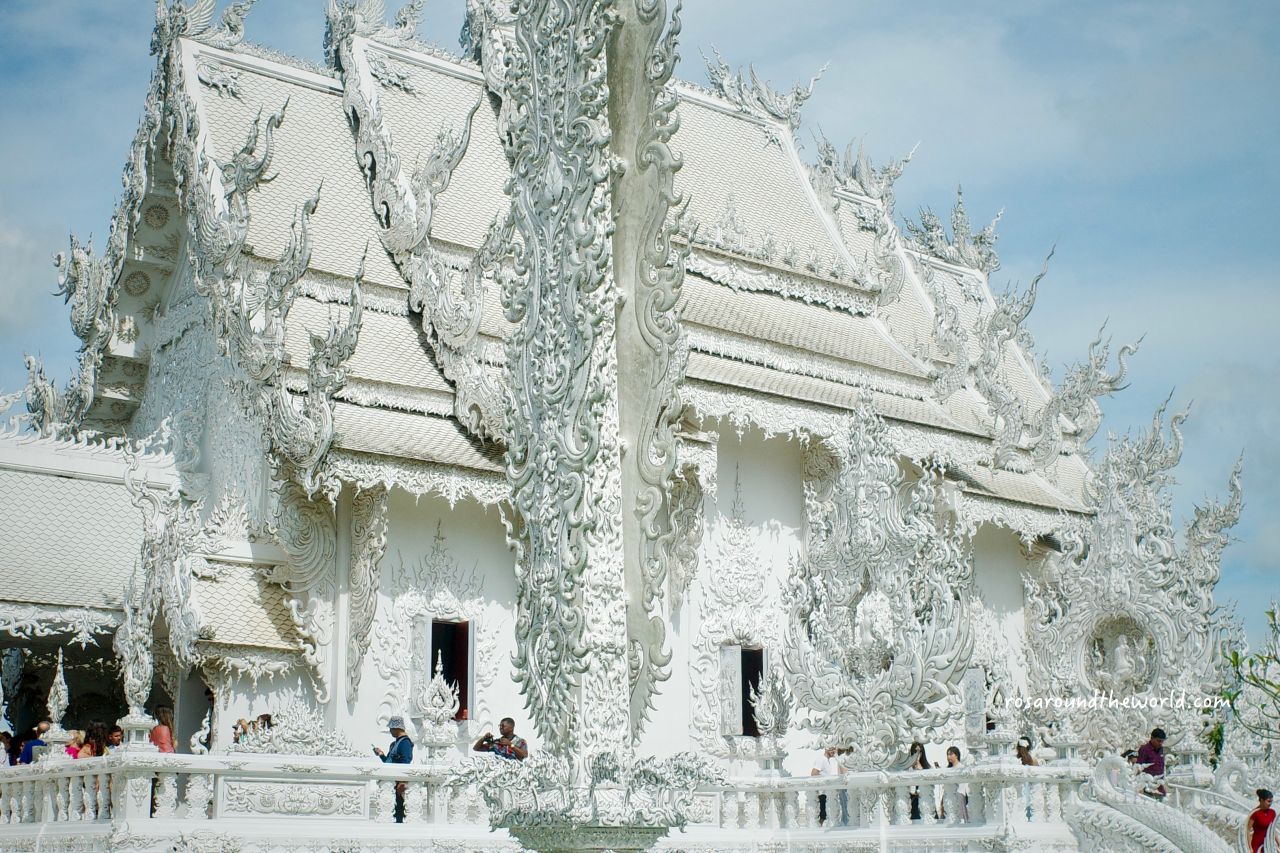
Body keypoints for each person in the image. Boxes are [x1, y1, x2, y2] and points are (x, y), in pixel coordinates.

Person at [374, 716, 414, 823]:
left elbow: (405, 762)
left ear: (397, 728)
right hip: (392, 782)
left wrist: (402, 782)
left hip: (398, 782)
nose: (390, 731)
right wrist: (381, 755)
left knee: (399, 809)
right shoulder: (395, 744)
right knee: (393, 809)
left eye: (391, 728)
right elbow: (389, 762)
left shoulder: (405, 743)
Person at [810, 746, 839, 826]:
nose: (834, 751)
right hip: (822, 793)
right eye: (832, 749)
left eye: (835, 749)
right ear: (826, 749)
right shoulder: (821, 759)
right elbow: (813, 773)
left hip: (827, 792)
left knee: (825, 815)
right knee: (822, 816)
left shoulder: (828, 760)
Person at [1136, 727, 1166, 797]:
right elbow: (1139, 768)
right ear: (1152, 738)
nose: (1161, 743)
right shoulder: (1144, 750)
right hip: (1148, 787)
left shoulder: (1161, 749)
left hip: (1159, 786)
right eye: (1158, 741)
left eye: (1162, 741)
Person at [906, 741, 933, 821]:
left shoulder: (927, 767)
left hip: (924, 798)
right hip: (912, 799)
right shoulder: (908, 768)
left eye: (919, 752)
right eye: (915, 752)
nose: (917, 755)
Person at [1248, 788, 1275, 853]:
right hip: (1256, 845)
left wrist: (1279, 842)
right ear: (1262, 800)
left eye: (1271, 801)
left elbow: (1272, 829)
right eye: (1268, 801)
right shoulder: (1254, 813)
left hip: (1269, 845)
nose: (1270, 803)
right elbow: (1247, 830)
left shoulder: (1272, 812)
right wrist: (1250, 847)